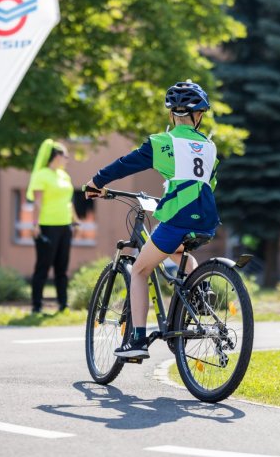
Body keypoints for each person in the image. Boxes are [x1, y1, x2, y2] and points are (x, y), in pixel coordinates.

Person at [86, 80, 219, 359]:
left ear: (172, 114)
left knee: (139, 270)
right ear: (199, 115)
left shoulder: (163, 142)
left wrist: (96, 181)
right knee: (181, 253)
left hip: (177, 218)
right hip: (206, 219)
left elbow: (126, 163)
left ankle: (136, 340)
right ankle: (199, 297)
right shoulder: (209, 147)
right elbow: (208, 182)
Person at [26, 139, 79, 314]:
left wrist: (75, 221)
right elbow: (37, 203)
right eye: (65, 156)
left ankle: (63, 305)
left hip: (65, 226)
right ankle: (36, 306)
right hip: (47, 226)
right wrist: (35, 225)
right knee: (43, 266)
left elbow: (69, 201)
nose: (67, 159)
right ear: (56, 156)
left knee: (62, 268)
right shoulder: (41, 175)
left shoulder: (64, 175)